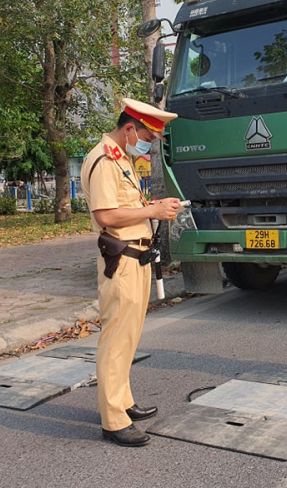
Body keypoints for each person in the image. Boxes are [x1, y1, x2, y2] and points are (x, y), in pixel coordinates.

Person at [80, 98, 181, 447]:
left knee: (129, 336)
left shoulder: (121, 159)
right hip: (120, 260)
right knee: (116, 339)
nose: (147, 146)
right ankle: (113, 420)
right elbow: (106, 215)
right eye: (147, 139)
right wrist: (153, 209)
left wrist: (151, 209)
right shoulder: (105, 160)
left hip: (134, 258)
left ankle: (122, 401)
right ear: (128, 130)